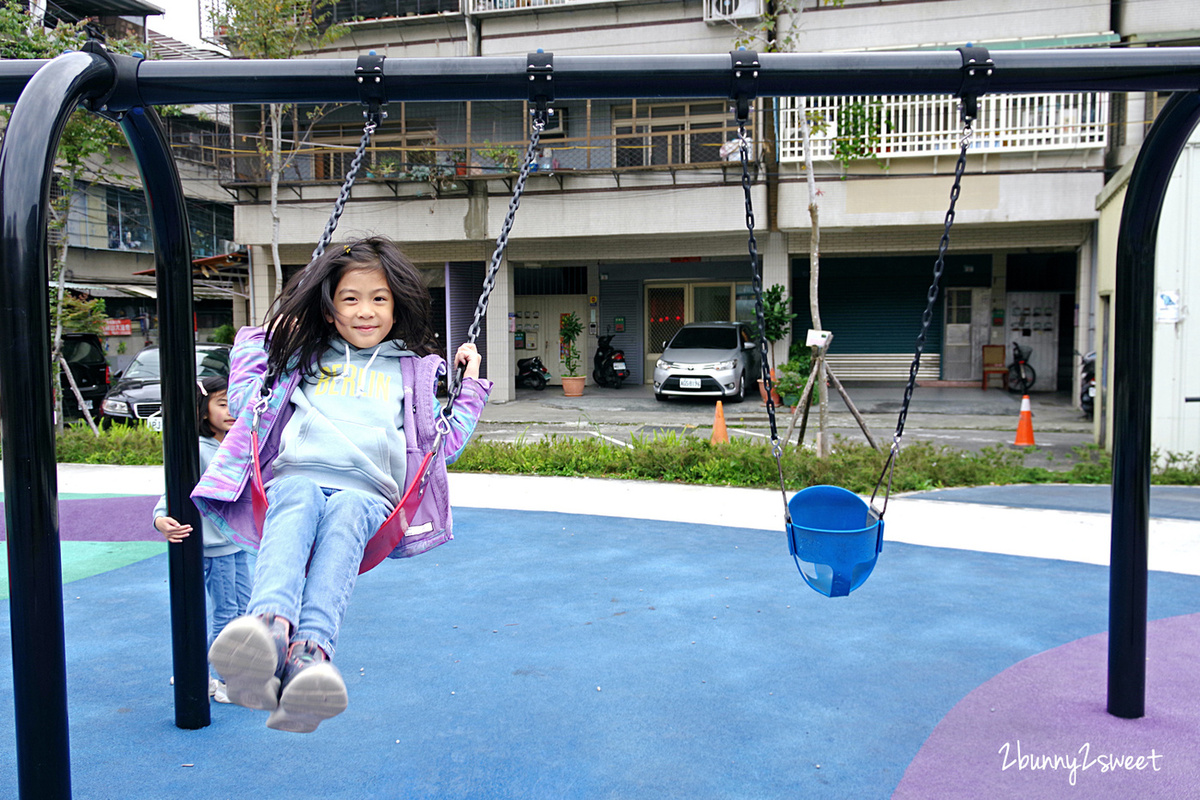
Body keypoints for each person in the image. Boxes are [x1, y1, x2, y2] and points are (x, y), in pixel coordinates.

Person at [192, 236, 492, 733]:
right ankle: (267, 633)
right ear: (329, 311)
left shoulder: (411, 372)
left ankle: (310, 654)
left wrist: (471, 386)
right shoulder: (302, 358)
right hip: (296, 478)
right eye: (350, 299)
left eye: (378, 298)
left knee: (349, 509)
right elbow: (248, 403)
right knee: (299, 494)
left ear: (396, 305)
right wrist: (259, 342)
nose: (365, 310)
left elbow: (442, 447)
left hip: (371, 496)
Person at [153, 375, 250, 704]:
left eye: (234, 403)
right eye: (222, 403)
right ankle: (222, 679)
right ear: (202, 409)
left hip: (235, 542)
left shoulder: (233, 444)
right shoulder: (197, 449)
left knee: (243, 610)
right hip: (213, 545)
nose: (230, 410)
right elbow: (174, 490)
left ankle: (194, 666)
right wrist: (160, 517)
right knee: (227, 613)